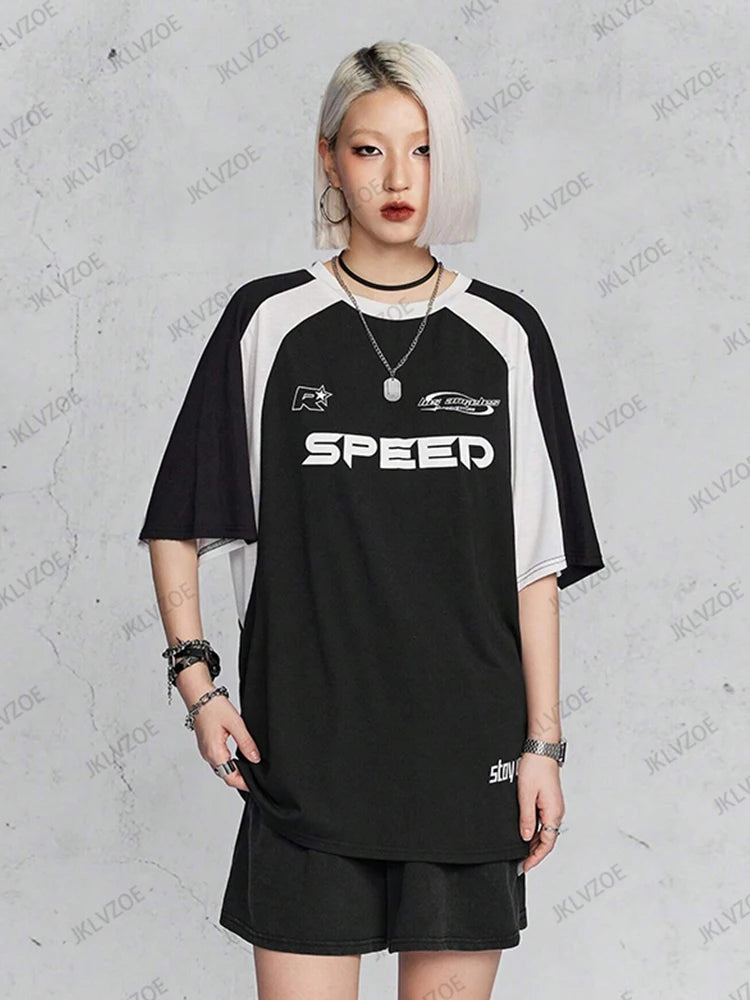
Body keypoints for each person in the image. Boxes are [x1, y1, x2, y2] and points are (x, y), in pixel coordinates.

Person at [138, 39, 605, 1000]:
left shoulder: (507, 334)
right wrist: (199, 687)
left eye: (423, 150)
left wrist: (543, 746)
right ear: (328, 158)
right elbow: (178, 518)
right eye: (369, 149)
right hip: (306, 767)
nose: (398, 178)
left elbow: (536, 567)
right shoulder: (267, 322)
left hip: (467, 766)